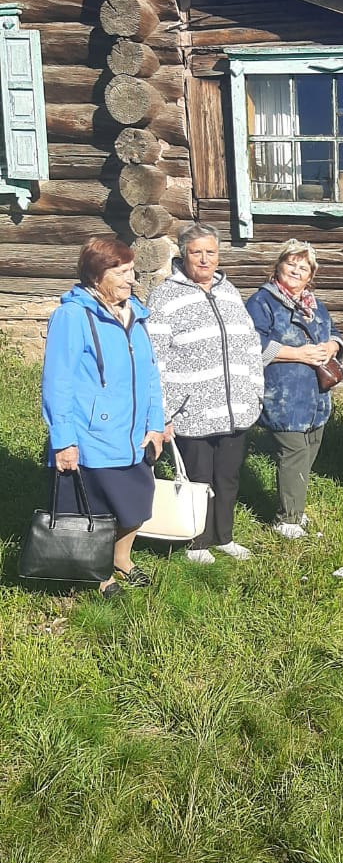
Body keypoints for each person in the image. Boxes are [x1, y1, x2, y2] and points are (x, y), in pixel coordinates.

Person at [40, 236, 165, 596]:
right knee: (93, 511)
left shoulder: (135, 314)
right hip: (92, 434)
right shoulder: (72, 316)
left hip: (134, 434)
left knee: (137, 505)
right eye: (122, 272)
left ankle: (121, 558)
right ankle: (97, 574)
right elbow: (57, 382)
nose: (131, 280)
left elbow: (150, 374)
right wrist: (64, 440)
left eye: (132, 271)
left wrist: (156, 423)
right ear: (97, 275)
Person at [147, 223, 264, 564]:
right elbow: (155, 358)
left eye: (210, 252)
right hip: (191, 410)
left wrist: (255, 391)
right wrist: (163, 412)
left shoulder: (229, 291)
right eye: (196, 252)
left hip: (235, 407)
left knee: (228, 476)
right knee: (197, 479)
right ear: (183, 255)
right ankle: (197, 542)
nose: (204, 259)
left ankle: (224, 537)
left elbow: (249, 343)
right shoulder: (165, 296)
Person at [246, 240, 343, 539]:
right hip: (283, 394)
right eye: (291, 264)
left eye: (303, 267)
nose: (296, 271)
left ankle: (295, 510)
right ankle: (286, 520)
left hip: (316, 396)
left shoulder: (315, 304)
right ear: (278, 265)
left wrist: (331, 346)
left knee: (309, 448)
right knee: (294, 452)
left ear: (310, 275)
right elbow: (252, 344)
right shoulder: (262, 302)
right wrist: (298, 354)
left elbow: (335, 333)